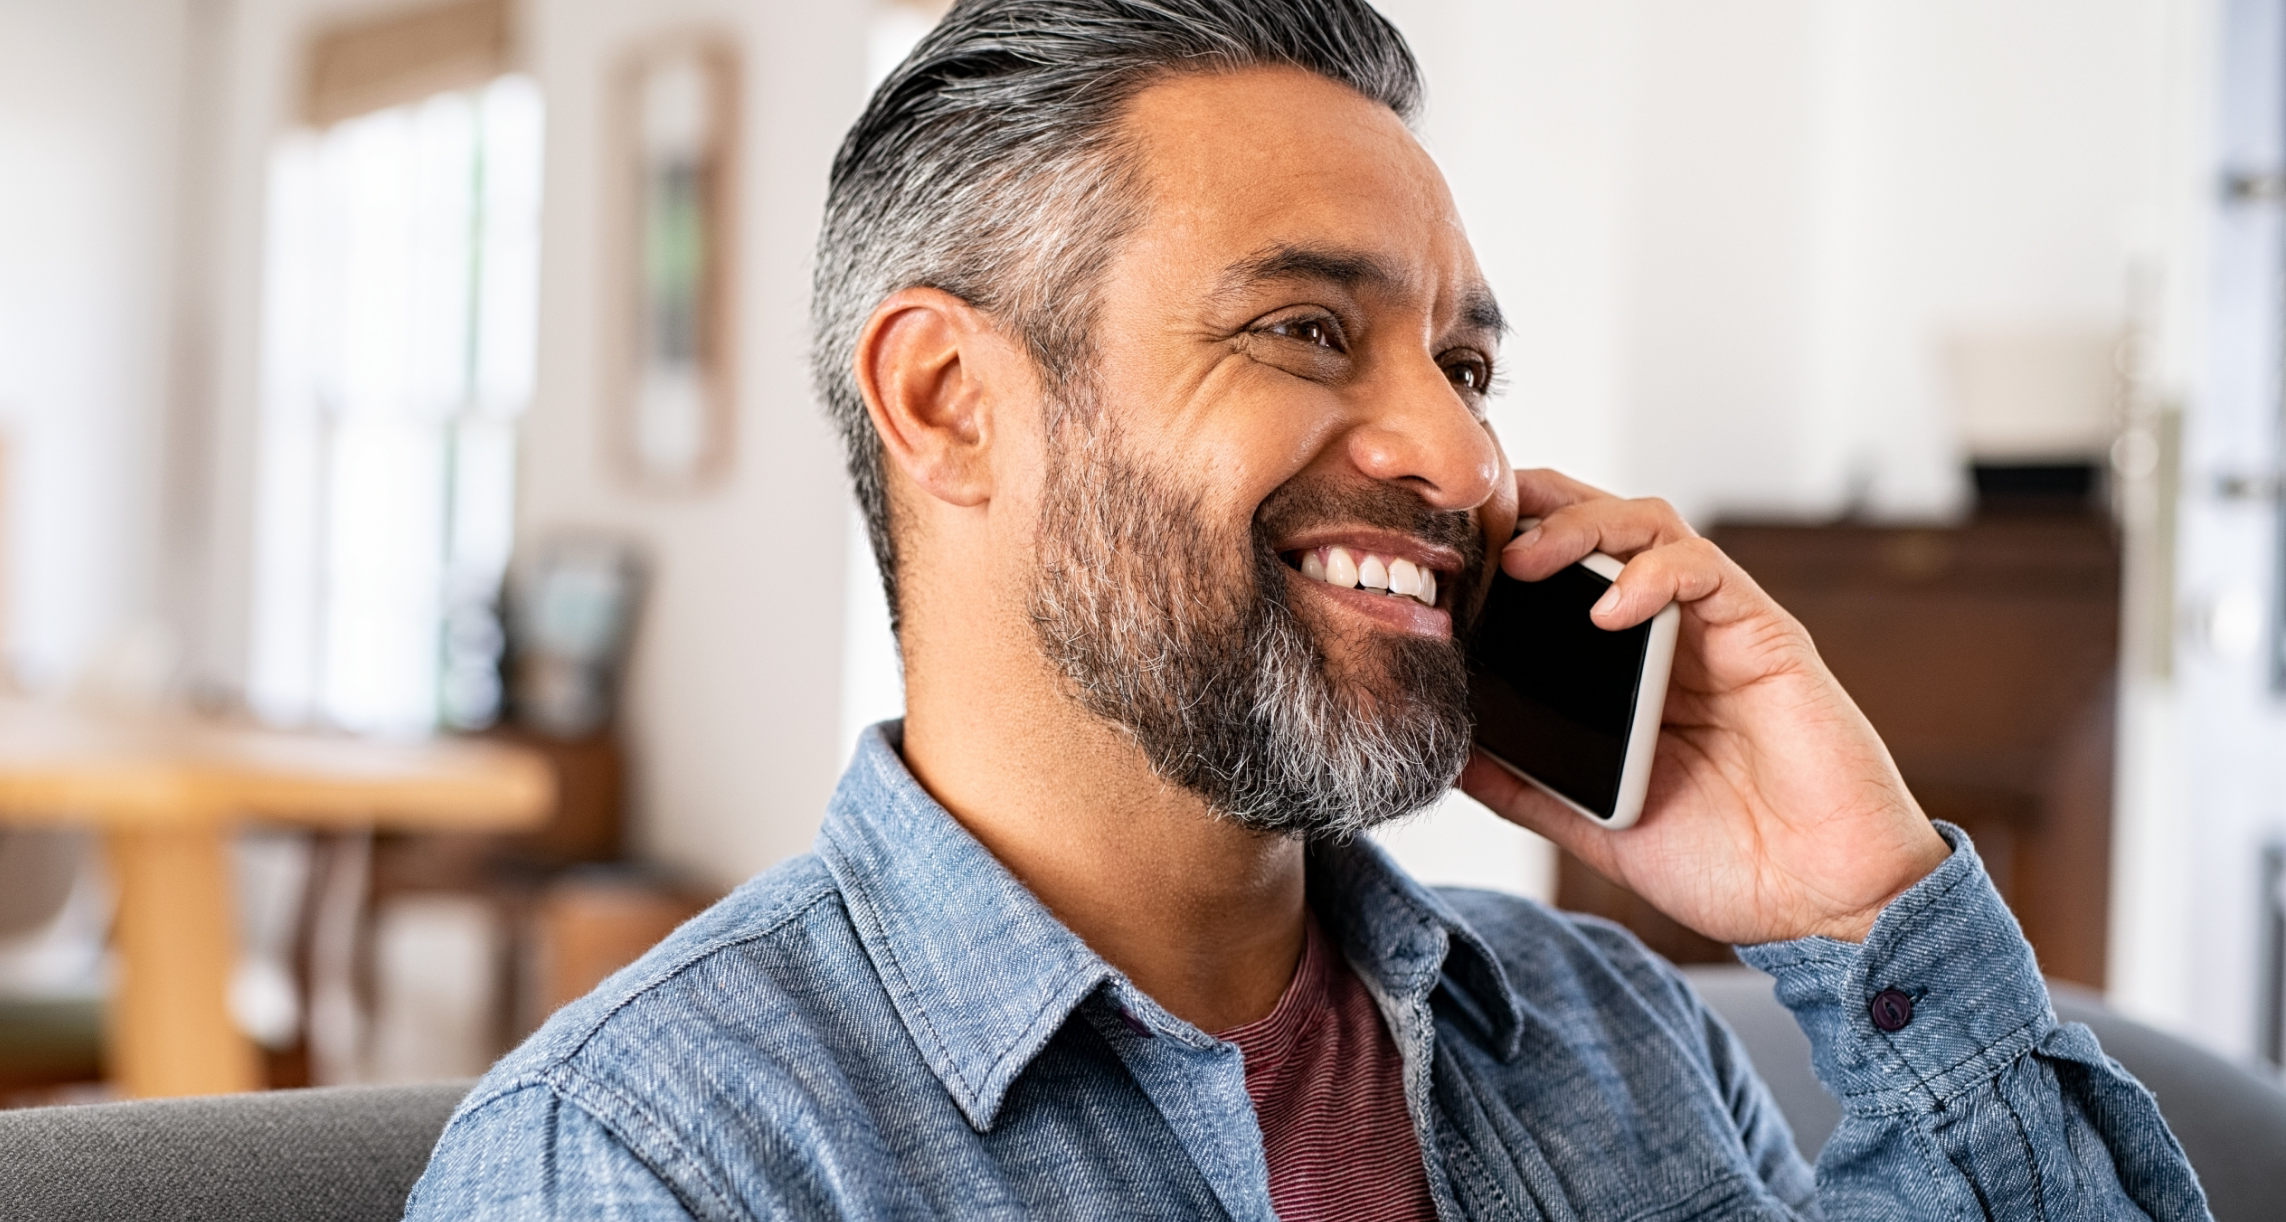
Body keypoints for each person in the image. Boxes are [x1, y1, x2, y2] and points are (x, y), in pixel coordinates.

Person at [409, 1, 2210, 1217]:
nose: (1455, 450)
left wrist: (1863, 905)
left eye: (1470, 359)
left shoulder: (1613, 1037)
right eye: (1305, 328)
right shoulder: (651, 1161)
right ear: (952, 402)